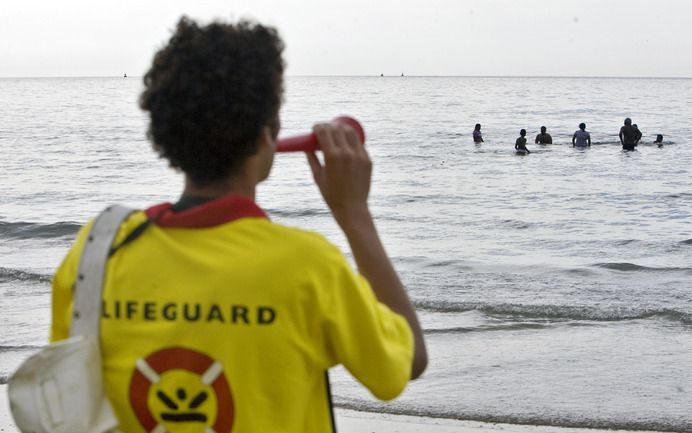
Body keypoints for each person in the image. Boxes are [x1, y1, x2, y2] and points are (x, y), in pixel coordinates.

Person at [50, 17, 427, 433]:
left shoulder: (99, 250)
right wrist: (354, 215)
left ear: (166, 131)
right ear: (269, 136)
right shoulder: (307, 267)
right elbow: (406, 362)